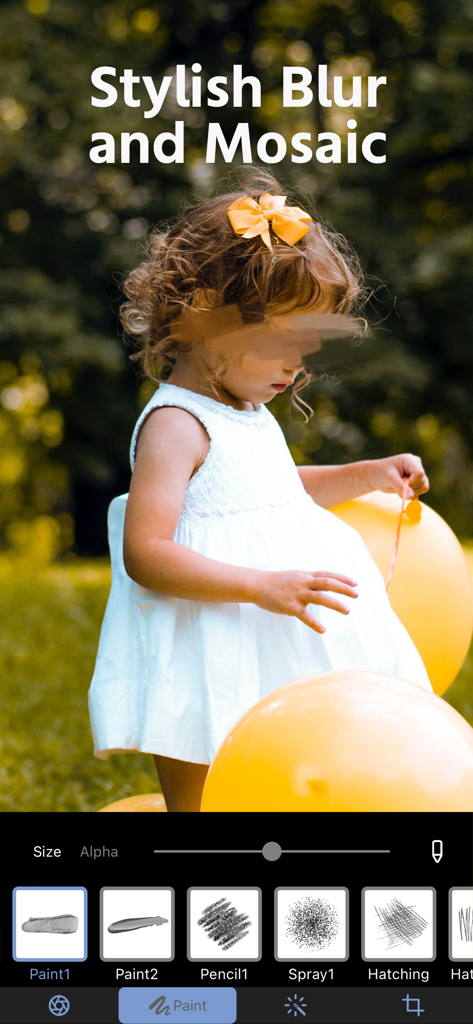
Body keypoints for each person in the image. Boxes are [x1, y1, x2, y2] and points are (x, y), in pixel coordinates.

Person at [88, 170, 431, 812]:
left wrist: (366, 474)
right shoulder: (175, 423)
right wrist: (259, 585)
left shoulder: (245, 411)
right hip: (205, 637)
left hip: (268, 634)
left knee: (281, 780)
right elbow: (147, 550)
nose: (298, 366)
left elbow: (272, 493)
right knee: (205, 786)